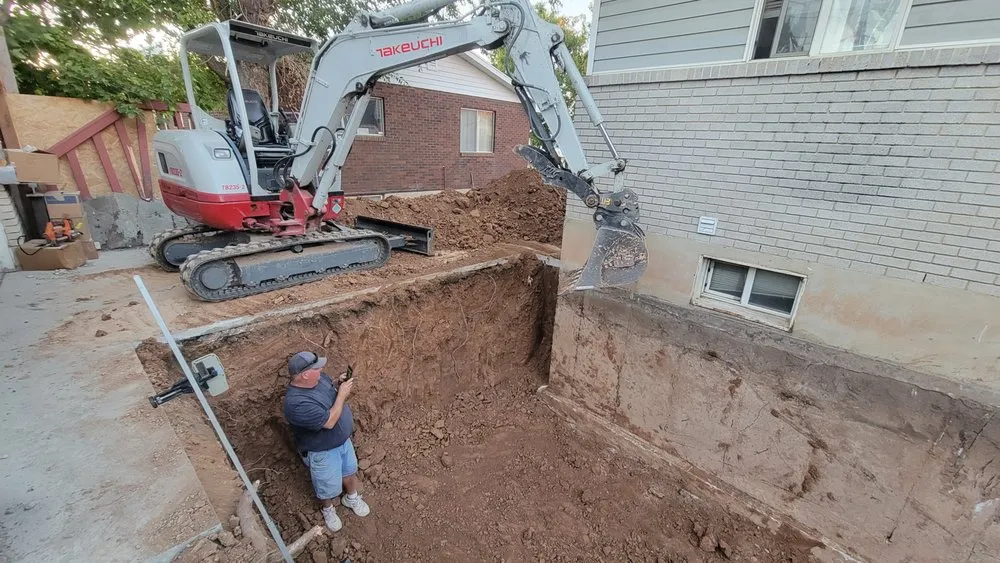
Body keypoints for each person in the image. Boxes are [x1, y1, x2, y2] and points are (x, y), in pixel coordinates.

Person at [282, 351, 370, 532]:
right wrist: (342, 395)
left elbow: (329, 387)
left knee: (349, 471)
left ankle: (351, 498)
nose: (321, 370)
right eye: (316, 368)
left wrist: (338, 383)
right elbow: (329, 422)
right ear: (305, 375)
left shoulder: (318, 378)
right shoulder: (296, 403)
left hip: (343, 442)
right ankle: (328, 509)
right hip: (323, 452)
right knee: (325, 486)